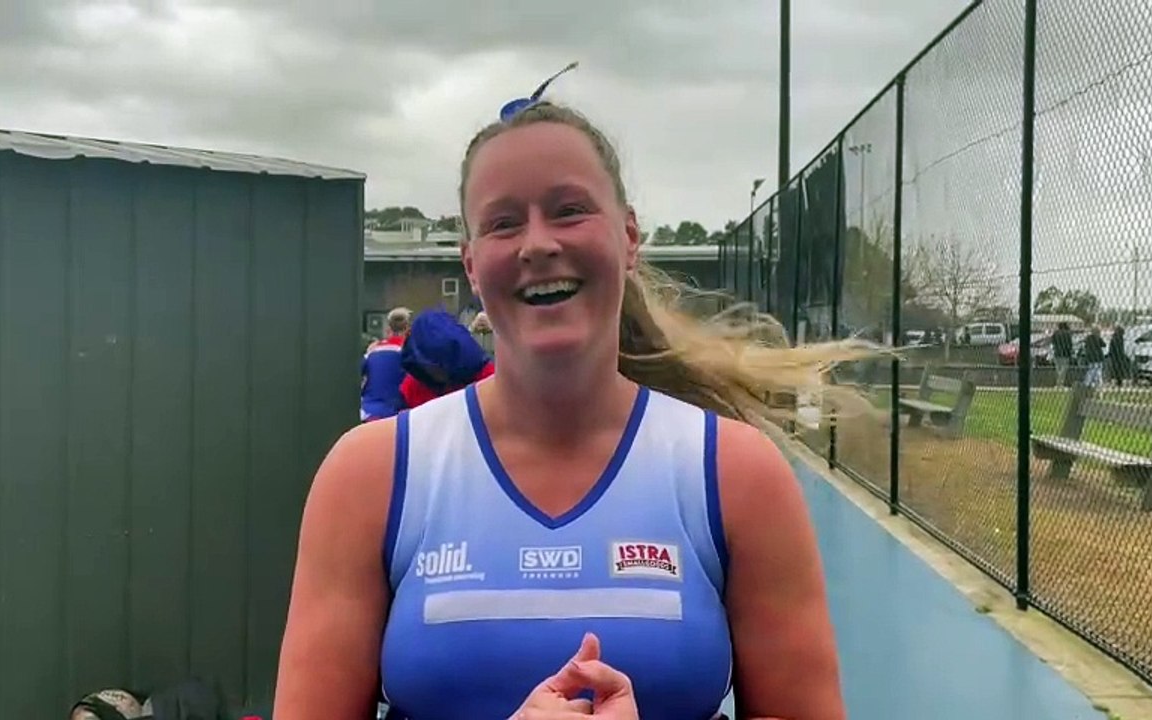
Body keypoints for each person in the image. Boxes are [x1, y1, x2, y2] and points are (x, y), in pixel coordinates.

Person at [274, 98, 865, 720]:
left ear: (629, 237)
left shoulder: (734, 473)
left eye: (570, 210)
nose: (538, 243)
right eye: (503, 223)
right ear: (471, 265)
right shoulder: (371, 474)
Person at [398, 309, 496, 410]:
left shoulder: (489, 379)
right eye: (432, 365)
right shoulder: (412, 387)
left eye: (443, 364)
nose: (439, 370)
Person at [359, 307, 412, 423]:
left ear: (388, 329)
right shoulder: (410, 353)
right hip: (397, 416)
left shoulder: (372, 351)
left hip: (368, 413)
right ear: (408, 330)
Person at [1050, 322, 1075, 387]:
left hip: (1057, 353)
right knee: (1064, 369)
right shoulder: (1068, 333)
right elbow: (1070, 344)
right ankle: (1060, 383)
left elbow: (1052, 342)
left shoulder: (1055, 333)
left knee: (1058, 369)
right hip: (1065, 353)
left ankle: (1058, 383)